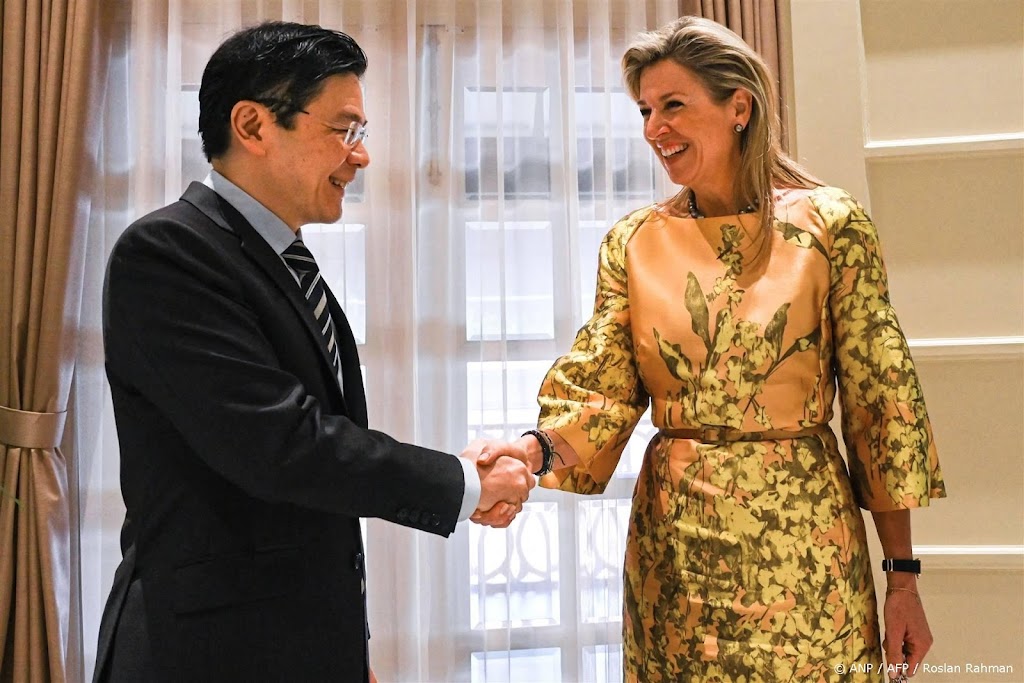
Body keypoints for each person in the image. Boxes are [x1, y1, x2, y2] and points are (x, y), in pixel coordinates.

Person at [475, 16, 946, 683]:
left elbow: (882, 406)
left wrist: (902, 579)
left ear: (738, 108)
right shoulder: (634, 242)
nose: (654, 128)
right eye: (645, 110)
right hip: (676, 552)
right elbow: (602, 389)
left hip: (805, 546)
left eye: (673, 105)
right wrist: (531, 451)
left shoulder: (830, 226)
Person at [93, 21, 533, 683]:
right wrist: (461, 483)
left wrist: (342, 653)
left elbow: (310, 496)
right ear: (253, 125)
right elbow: (284, 446)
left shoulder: (284, 261)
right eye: (344, 129)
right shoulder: (167, 253)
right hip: (204, 653)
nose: (362, 157)